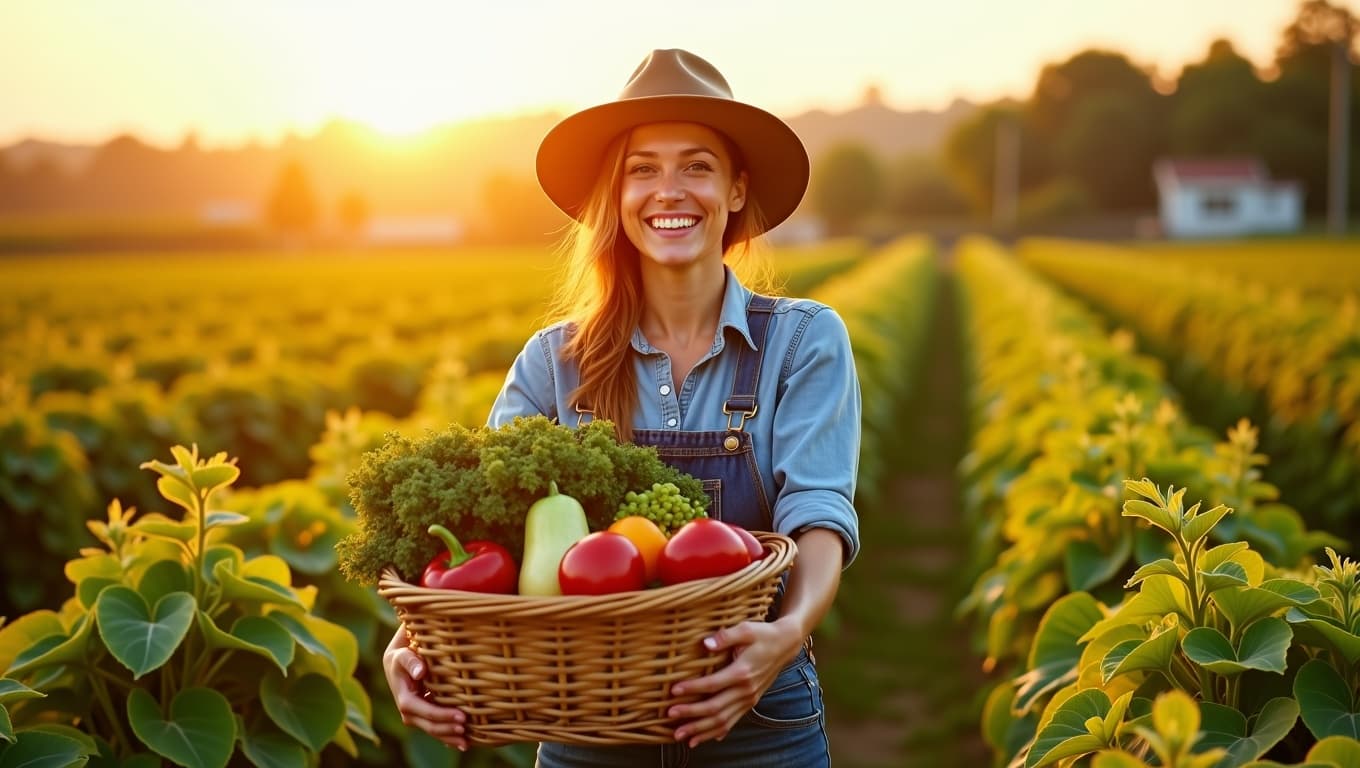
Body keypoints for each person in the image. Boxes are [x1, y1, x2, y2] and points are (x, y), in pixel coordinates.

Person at [383, 48, 861, 767]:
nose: (669, 190)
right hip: (586, 727)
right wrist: (407, 645)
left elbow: (818, 513)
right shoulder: (554, 360)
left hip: (757, 714)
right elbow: (480, 526)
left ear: (735, 190)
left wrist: (783, 637)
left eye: (696, 166)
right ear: (617, 196)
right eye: (643, 170)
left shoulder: (802, 341)